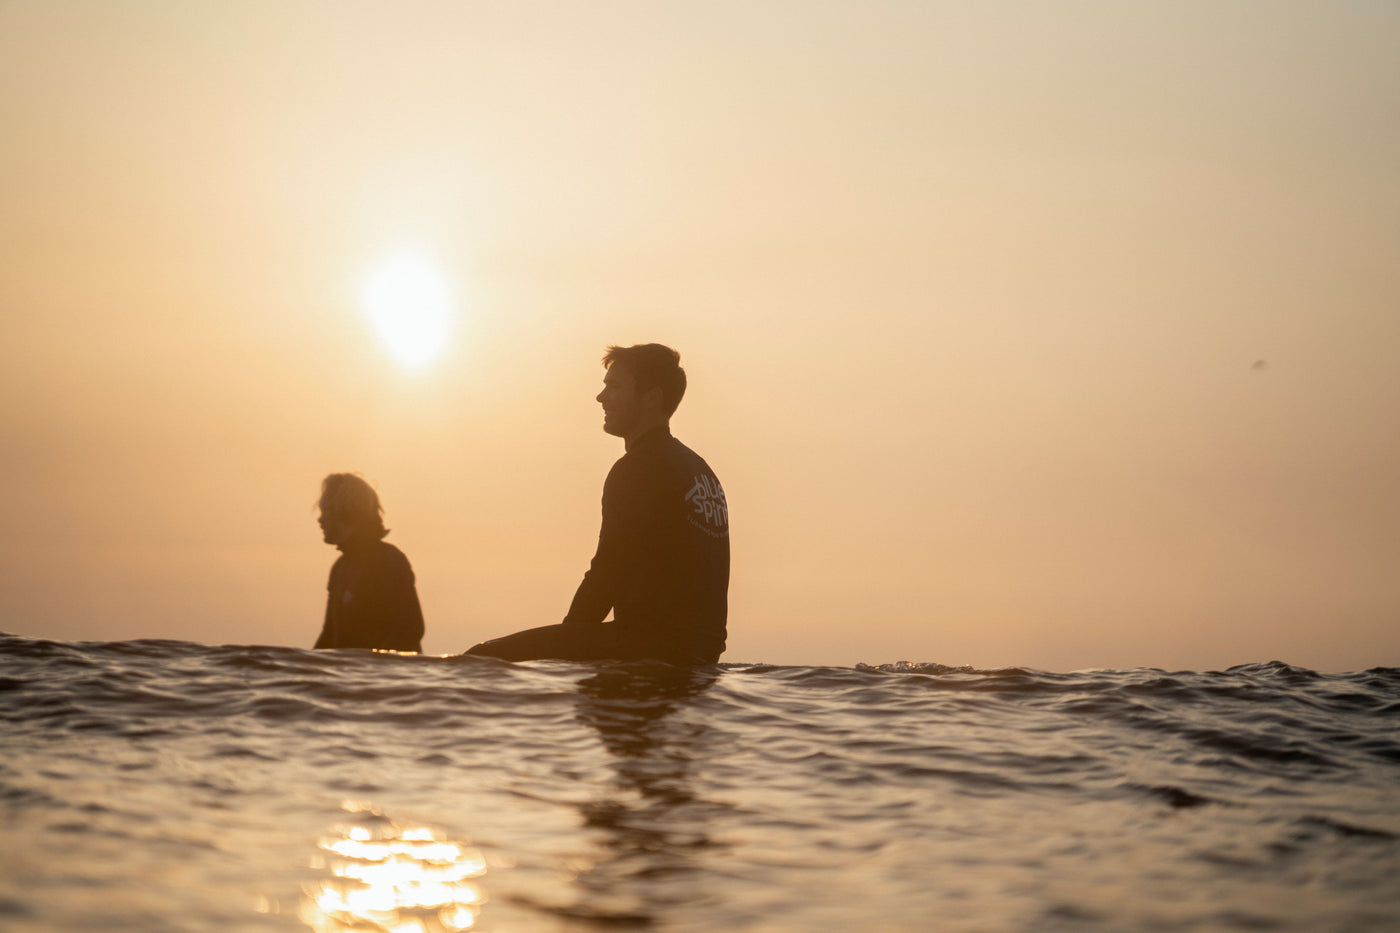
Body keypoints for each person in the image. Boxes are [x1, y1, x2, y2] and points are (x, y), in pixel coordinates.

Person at [467, 344, 729, 665]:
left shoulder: (639, 467)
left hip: (650, 645)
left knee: (480, 659)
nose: (601, 397)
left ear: (652, 397)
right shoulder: (701, 473)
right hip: (701, 650)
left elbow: (608, 571)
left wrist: (560, 654)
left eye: (615, 386)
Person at [313, 473, 425, 652]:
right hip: (348, 677)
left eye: (325, 511)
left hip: (390, 677)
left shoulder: (388, 560)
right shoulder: (340, 568)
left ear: (344, 512)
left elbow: (409, 630)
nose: (320, 519)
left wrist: (373, 670)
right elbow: (329, 635)